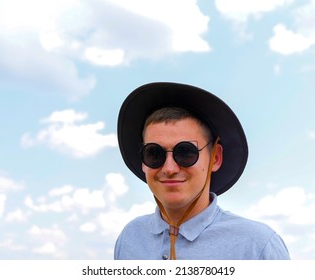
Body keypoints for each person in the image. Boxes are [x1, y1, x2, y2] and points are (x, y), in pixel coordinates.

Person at [115, 82, 290, 260]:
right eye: (154, 153)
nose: (169, 168)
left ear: (215, 158)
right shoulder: (130, 239)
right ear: (143, 163)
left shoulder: (257, 247)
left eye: (185, 153)